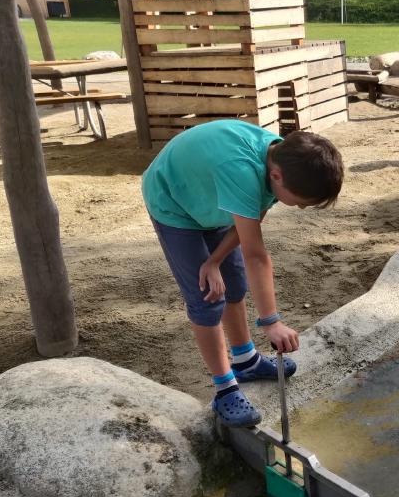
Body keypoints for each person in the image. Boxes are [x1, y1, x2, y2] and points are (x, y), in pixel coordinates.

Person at [141, 120, 344, 428]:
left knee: (234, 282)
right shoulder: (242, 171)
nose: (300, 209)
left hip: (213, 197)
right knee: (206, 296)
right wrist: (271, 321)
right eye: (300, 203)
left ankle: (245, 360)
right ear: (276, 176)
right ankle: (225, 388)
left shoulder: (284, 157)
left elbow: (253, 217)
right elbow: (256, 254)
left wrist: (215, 259)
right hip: (175, 203)